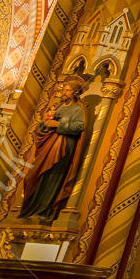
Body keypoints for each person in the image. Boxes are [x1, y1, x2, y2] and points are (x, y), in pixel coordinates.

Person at [19, 82, 89, 220]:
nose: (64, 92)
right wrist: (45, 123)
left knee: (52, 177)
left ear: (75, 92)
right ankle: (31, 208)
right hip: (48, 146)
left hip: (62, 148)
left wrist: (59, 124)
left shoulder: (78, 109)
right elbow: (45, 127)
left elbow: (80, 126)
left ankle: (44, 210)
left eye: (67, 90)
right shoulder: (58, 107)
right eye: (63, 90)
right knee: (36, 174)